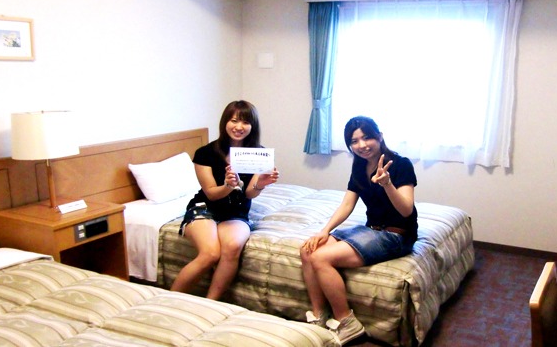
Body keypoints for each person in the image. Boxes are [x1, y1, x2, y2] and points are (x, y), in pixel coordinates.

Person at [300, 116, 417, 344]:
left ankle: (347, 321)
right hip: (371, 229)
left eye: (367, 138)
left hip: (396, 234)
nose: (362, 145)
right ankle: (318, 315)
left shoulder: (400, 164)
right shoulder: (359, 165)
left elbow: (406, 210)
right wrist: (325, 230)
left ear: (379, 137)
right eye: (354, 141)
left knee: (320, 258)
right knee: (308, 250)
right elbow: (347, 204)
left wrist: (387, 184)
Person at [170, 100, 280, 300]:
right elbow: (211, 193)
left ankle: (211, 302)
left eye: (245, 122)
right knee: (210, 254)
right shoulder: (205, 153)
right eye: (234, 121)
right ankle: (169, 299)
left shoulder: (258, 153)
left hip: (235, 212)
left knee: (232, 247)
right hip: (205, 207)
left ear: (252, 126)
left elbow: (249, 193)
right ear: (225, 123)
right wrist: (228, 185)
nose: (239, 127)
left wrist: (261, 183)